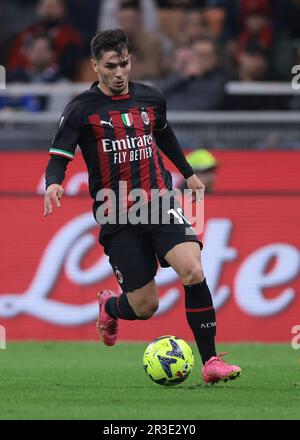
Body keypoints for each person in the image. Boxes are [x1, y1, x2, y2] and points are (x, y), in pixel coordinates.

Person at [43, 29, 241, 385]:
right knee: (145, 307)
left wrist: (188, 173)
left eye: (125, 63)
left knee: (193, 270)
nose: (119, 73)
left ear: (130, 60)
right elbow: (59, 154)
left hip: (160, 201)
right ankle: (110, 307)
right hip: (116, 213)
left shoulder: (151, 98)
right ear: (95, 67)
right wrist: (53, 182)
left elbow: (164, 133)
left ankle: (210, 361)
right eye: (110, 66)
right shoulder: (81, 110)